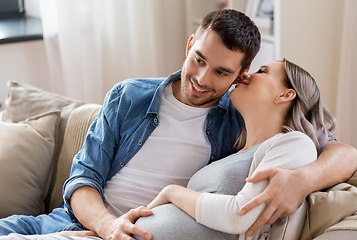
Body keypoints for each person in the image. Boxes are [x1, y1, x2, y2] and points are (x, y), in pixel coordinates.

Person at [0, 8, 356, 240]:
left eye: (220, 72)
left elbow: (340, 151)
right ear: (190, 44)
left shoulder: (243, 121)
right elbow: (82, 180)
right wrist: (107, 226)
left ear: (240, 76)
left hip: (144, 232)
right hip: (79, 224)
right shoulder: (130, 96)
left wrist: (302, 180)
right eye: (198, 59)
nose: (200, 79)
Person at [133, 58, 335, 240]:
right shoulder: (236, 152)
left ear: (286, 94)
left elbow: (240, 215)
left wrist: (171, 192)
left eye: (262, 71)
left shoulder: (295, 143)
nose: (246, 74)